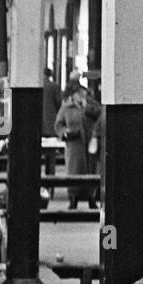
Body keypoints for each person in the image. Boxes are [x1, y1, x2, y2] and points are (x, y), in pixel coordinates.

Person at [55, 82, 101, 210]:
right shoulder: (66, 108)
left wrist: (87, 107)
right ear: (73, 95)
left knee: (90, 170)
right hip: (74, 145)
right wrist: (65, 132)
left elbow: (100, 114)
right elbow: (58, 125)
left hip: (90, 144)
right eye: (79, 95)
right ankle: (73, 198)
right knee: (74, 171)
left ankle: (91, 198)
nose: (82, 97)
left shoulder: (91, 105)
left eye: (83, 95)